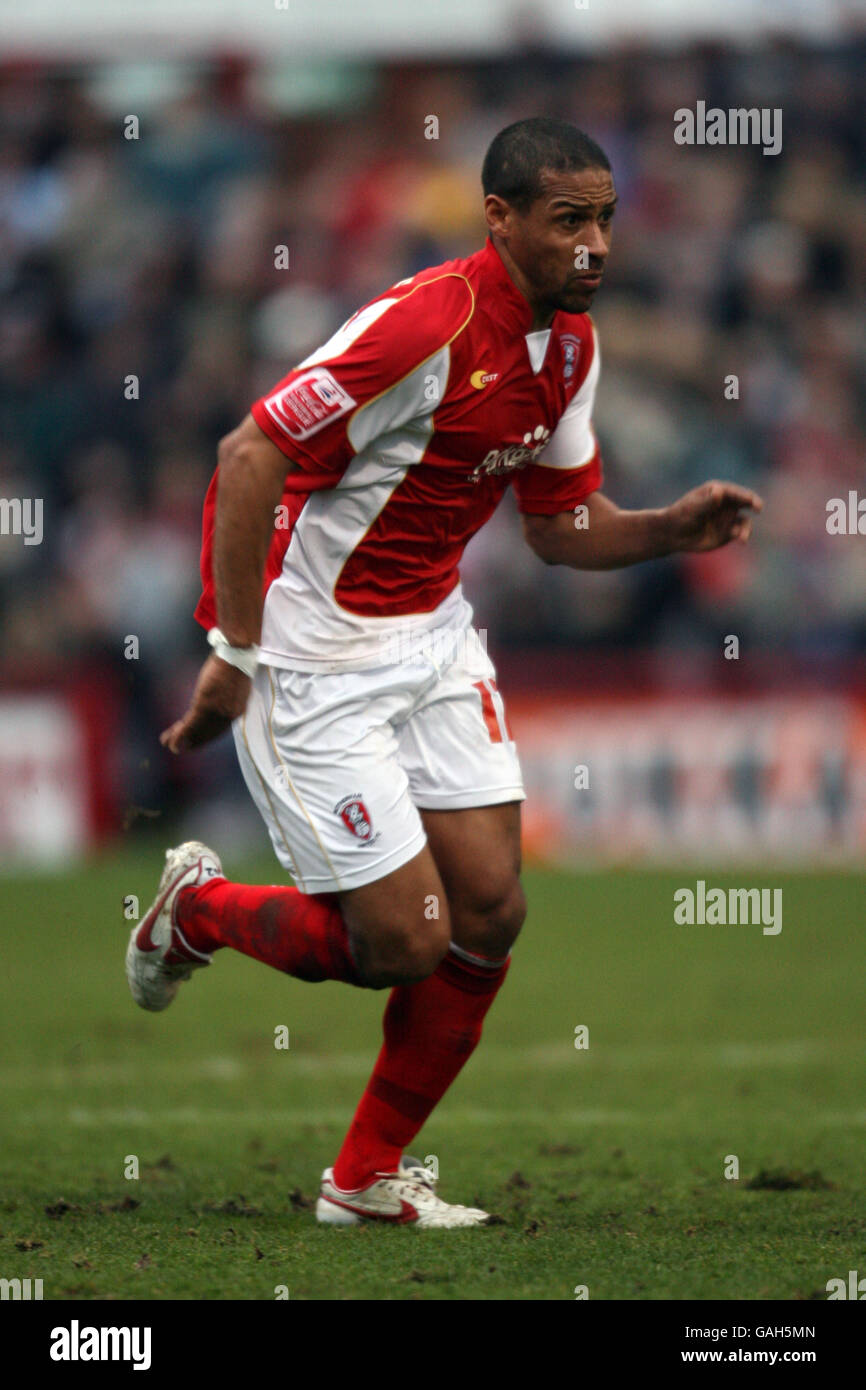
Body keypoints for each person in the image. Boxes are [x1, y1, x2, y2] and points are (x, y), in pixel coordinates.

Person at [126, 117, 762, 1228]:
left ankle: (363, 1181)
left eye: (606, 219)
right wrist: (230, 651)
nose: (596, 245)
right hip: (314, 655)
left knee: (489, 910)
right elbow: (246, 454)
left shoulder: (569, 345)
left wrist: (669, 528)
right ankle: (199, 913)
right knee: (402, 942)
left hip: (431, 640)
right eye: (569, 221)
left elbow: (560, 526)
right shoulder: (424, 325)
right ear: (499, 218)